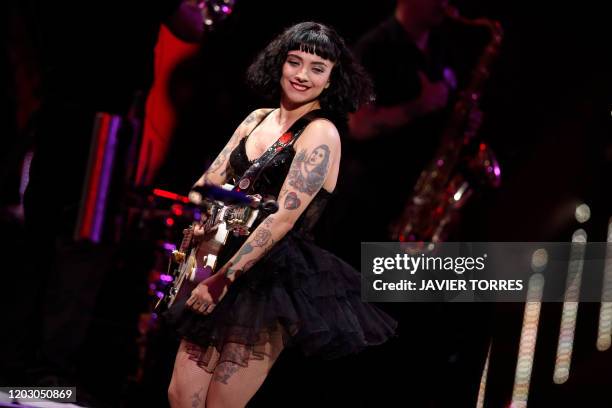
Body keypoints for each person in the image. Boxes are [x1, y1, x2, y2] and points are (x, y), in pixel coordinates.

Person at [165, 21, 397, 407]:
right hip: (217, 258)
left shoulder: (321, 133)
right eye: (295, 62)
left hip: (268, 277)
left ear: (331, 79)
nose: (302, 75)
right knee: (181, 395)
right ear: (280, 63)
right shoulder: (256, 118)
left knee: (220, 403)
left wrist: (222, 280)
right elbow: (209, 181)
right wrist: (196, 222)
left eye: (316, 68)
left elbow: (282, 219)